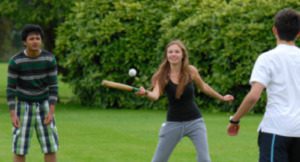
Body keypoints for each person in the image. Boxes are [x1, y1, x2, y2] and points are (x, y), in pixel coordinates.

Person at [136, 40, 234, 162]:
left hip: (195, 122)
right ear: (166, 55)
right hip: (173, 123)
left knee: (205, 159)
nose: (173, 54)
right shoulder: (162, 76)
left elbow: (204, 87)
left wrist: (222, 97)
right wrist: (145, 93)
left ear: (183, 55)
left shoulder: (191, 71)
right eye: (170, 52)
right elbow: (155, 95)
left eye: (177, 52)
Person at [227, 8, 300, 162]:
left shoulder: (267, 58)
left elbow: (254, 96)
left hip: (276, 130)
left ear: (274, 30)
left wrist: (235, 120)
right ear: (298, 33)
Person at [6, 24, 59, 162]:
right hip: (23, 106)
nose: (35, 41)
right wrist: (13, 114)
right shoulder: (16, 61)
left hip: (44, 105)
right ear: (25, 42)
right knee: (20, 148)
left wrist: (51, 111)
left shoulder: (49, 59)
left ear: (41, 41)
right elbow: (11, 89)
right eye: (31, 39)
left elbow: (53, 86)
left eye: (38, 38)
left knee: (50, 146)